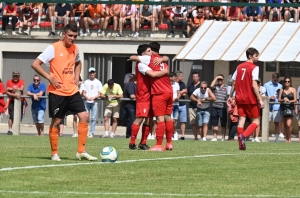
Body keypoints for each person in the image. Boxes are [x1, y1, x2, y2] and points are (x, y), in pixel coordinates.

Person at [31, 23, 97, 161]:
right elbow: (35, 64)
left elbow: (78, 63)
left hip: (72, 91)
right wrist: (50, 78)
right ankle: (54, 153)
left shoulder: (75, 48)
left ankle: (81, 151)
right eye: (70, 36)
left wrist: (77, 76)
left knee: (84, 117)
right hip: (57, 92)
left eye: (75, 36)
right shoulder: (53, 48)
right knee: (57, 121)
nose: (72, 38)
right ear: (64, 34)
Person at [129, 44, 169, 150]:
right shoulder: (142, 63)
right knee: (140, 118)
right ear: (143, 54)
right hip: (143, 95)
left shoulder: (149, 60)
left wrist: (163, 58)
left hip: (151, 94)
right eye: (148, 51)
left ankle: (143, 142)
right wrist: (165, 71)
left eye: (151, 50)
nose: (151, 52)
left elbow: (165, 58)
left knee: (149, 119)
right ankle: (132, 143)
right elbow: (152, 74)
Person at [228, 47, 265, 150]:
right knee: (256, 121)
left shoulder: (239, 67)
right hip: (250, 98)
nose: (258, 58)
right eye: (256, 56)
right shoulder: (254, 67)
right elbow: (254, 85)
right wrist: (260, 99)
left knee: (241, 120)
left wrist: (230, 96)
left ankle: (241, 144)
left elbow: (234, 83)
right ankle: (243, 136)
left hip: (239, 98)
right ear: (250, 56)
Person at [82, 67, 103, 138]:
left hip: (95, 102)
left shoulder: (98, 82)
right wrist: (87, 97)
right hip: (87, 101)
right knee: (85, 117)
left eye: (93, 72)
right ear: (89, 73)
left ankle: (92, 132)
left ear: (95, 73)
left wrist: (93, 97)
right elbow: (83, 92)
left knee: (93, 118)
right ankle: (86, 131)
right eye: (91, 72)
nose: (92, 74)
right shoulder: (86, 82)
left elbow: (100, 93)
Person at [264, 73, 283, 142]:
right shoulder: (266, 85)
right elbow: (263, 95)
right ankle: (265, 137)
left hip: (277, 106)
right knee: (266, 122)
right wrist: (269, 97)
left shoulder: (280, 86)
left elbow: (281, 96)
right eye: (275, 80)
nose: (276, 82)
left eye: (277, 80)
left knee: (277, 123)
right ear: (272, 78)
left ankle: (277, 138)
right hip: (268, 106)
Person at [210, 74, 228, 141]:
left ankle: (223, 138)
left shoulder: (226, 87)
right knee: (215, 123)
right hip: (215, 107)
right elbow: (211, 85)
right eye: (218, 79)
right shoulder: (215, 86)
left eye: (221, 79)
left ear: (223, 80)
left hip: (223, 108)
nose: (219, 80)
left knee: (223, 124)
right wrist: (216, 77)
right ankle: (215, 137)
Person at [5, 71, 25, 135]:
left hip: (20, 100)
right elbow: (7, 91)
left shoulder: (21, 81)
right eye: (14, 76)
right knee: (11, 116)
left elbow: (21, 89)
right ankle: (10, 130)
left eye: (17, 76)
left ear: (19, 76)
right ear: (12, 76)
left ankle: (16, 130)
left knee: (19, 116)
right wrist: (15, 95)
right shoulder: (9, 81)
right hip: (12, 100)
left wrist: (12, 89)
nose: (15, 77)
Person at [279, 76, 296, 143]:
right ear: (284, 82)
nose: (287, 83)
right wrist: (283, 99)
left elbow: (295, 100)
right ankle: (287, 139)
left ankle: (290, 138)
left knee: (289, 124)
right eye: (286, 81)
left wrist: (289, 101)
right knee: (285, 125)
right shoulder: (281, 90)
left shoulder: (293, 89)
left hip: (290, 108)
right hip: (283, 108)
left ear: (290, 82)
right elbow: (279, 99)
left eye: (288, 81)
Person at [187, 71, 201, 140]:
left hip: (200, 106)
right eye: (194, 77)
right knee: (193, 123)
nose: (195, 78)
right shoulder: (190, 85)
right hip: (191, 106)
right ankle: (195, 137)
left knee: (200, 123)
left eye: (196, 77)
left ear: (199, 77)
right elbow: (187, 94)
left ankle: (202, 137)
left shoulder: (202, 86)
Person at [176, 71, 187, 140]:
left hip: (182, 105)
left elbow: (185, 94)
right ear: (178, 77)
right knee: (173, 120)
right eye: (181, 76)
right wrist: (182, 91)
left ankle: (183, 135)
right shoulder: (173, 84)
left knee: (183, 121)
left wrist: (180, 92)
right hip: (175, 105)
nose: (183, 77)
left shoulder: (183, 84)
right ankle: (173, 133)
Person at [169, 72, 181, 140]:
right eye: (174, 77)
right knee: (171, 121)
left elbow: (179, 93)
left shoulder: (176, 84)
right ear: (170, 77)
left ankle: (172, 133)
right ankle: (175, 133)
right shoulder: (167, 84)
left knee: (174, 122)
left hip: (176, 104)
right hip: (170, 105)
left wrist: (177, 97)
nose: (175, 78)